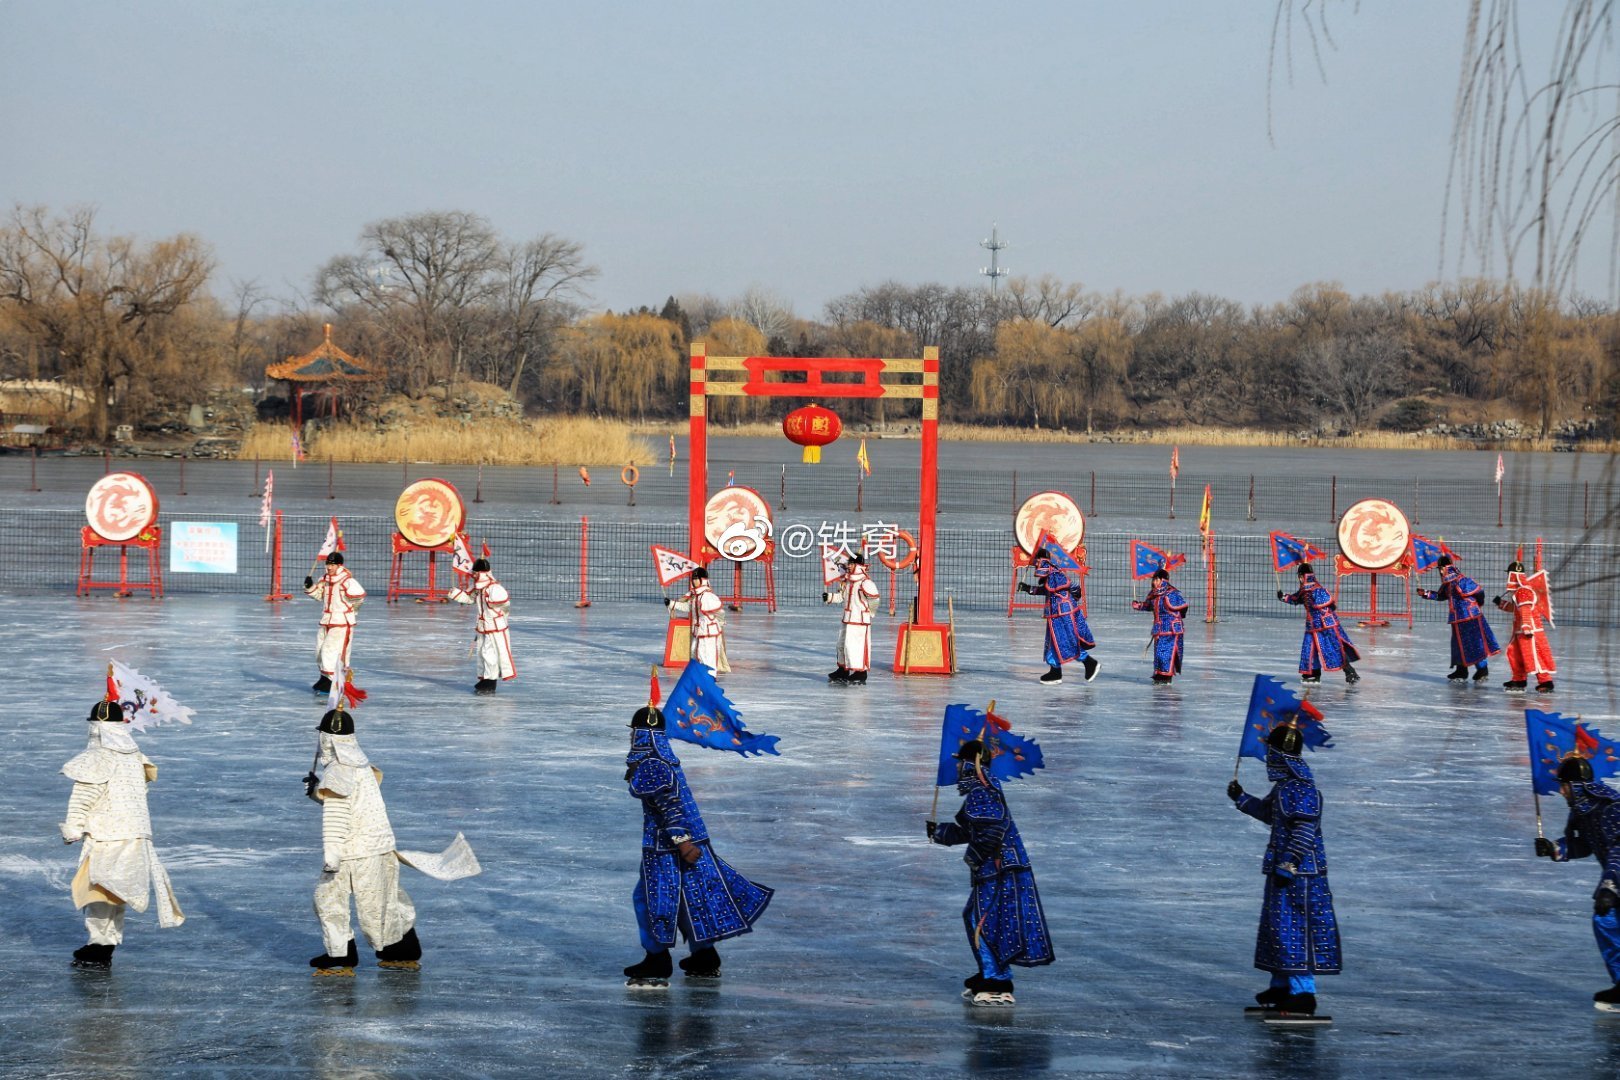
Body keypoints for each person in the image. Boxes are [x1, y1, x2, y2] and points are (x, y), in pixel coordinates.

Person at [305, 707, 481, 976]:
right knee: (385, 904)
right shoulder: (360, 765)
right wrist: (318, 792)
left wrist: (332, 858)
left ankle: (341, 954)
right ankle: (403, 950)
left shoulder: (338, 771)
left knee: (328, 900)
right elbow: (353, 801)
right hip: (381, 848)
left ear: (328, 739)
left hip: (354, 853)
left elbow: (337, 818)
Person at [622, 704, 772, 988]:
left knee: (650, 901)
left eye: (634, 734)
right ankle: (704, 957)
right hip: (686, 841)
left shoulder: (652, 763)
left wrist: (681, 842)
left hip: (667, 847)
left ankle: (657, 960)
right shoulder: (663, 758)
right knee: (693, 899)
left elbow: (670, 806)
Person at [1226, 720, 1341, 1019]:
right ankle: (1281, 985)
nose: (1269, 758)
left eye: (1272, 751)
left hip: (1301, 875)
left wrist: (1289, 863)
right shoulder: (1285, 788)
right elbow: (1270, 814)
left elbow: (1304, 830)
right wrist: (1241, 798)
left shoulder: (1302, 790)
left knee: (1297, 931)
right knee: (1277, 929)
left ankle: (1303, 993)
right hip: (1282, 870)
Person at [927, 739, 1054, 1007]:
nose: (957, 768)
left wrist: (974, 858)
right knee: (976, 917)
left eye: (960, 762)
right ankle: (990, 972)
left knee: (984, 921)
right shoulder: (982, 790)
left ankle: (997, 979)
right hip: (997, 867)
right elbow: (973, 830)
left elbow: (991, 831)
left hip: (999, 869)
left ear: (970, 764)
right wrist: (939, 832)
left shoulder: (982, 792)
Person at [60, 697, 185, 969]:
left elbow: (85, 795)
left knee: (97, 891)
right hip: (136, 833)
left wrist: (73, 828)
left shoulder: (98, 757)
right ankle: (105, 944)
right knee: (114, 892)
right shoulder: (135, 755)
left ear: (95, 727)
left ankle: (99, 945)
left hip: (107, 835)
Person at [1535, 755, 1620, 1011]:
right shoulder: (1584, 812)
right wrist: (1553, 848)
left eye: (1564, 786)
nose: (1561, 792)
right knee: (1606, 921)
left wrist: (1610, 886)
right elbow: (1583, 844)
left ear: (1578, 786)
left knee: (1608, 918)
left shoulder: (1611, 808)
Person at [1016, 548, 1099, 685]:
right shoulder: (1053, 574)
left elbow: (1061, 585)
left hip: (1063, 613)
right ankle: (1055, 671)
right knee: (1053, 642)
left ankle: (1090, 663)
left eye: (1036, 563)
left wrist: (1073, 595)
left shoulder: (1053, 572)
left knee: (1066, 641)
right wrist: (1027, 589)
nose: (1036, 567)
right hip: (1055, 613)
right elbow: (1050, 590)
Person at [1417, 555, 1500, 682]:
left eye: (1440, 568)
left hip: (1471, 617)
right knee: (1459, 645)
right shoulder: (1448, 584)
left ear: (1445, 568)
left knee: (1475, 643)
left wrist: (1476, 605)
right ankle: (1461, 671)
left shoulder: (1462, 581)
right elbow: (1440, 596)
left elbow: (1479, 593)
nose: (1440, 572)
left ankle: (1482, 670)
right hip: (1457, 618)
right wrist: (1426, 593)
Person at [1277, 564, 1359, 684]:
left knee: (1334, 647)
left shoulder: (1315, 588)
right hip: (1313, 625)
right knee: (1309, 648)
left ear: (1301, 576)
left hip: (1326, 625)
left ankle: (1350, 671)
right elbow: (1296, 598)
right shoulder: (1305, 589)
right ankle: (1312, 673)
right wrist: (1283, 597)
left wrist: (1320, 608)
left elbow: (1327, 603)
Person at [447, 558, 515, 694]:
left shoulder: (494, 588)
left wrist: (496, 610)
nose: (473, 575)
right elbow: (469, 598)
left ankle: (490, 682)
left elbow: (505, 605)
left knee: (490, 654)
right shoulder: (478, 588)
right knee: (483, 653)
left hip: (494, 627)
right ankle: (486, 679)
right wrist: (456, 594)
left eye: (476, 572)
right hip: (483, 626)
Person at [305, 552, 365, 694]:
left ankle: (333, 682)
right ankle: (325, 678)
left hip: (341, 622)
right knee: (319, 650)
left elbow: (359, 597)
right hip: (326, 620)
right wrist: (310, 587)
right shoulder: (325, 580)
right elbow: (319, 595)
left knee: (330, 651)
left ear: (339, 565)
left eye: (332, 564)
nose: (329, 567)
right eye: (328, 564)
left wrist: (350, 611)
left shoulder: (346, 581)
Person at [1493, 561, 1556, 693]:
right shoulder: (1520, 591)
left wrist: (1527, 627)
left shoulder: (1523, 591)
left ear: (1512, 575)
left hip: (1529, 631)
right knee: (1515, 653)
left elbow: (1526, 609)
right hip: (1520, 630)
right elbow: (1516, 609)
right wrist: (1501, 604)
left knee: (1535, 655)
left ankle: (1545, 681)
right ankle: (1519, 680)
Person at [825, 552, 881, 685]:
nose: (848, 566)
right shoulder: (848, 581)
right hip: (847, 619)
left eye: (851, 564)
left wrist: (869, 614)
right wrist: (829, 597)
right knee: (842, 645)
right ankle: (843, 669)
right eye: (849, 564)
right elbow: (842, 597)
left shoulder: (865, 582)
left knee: (855, 647)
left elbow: (874, 599)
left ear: (858, 565)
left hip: (859, 621)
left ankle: (860, 673)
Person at [666, 567, 728, 674]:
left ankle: (708, 683)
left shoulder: (707, 596)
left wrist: (719, 622)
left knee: (707, 660)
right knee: (695, 657)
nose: (694, 581)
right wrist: (671, 603)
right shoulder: (696, 596)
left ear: (702, 580)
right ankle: (699, 684)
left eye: (696, 579)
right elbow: (688, 607)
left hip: (708, 634)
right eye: (693, 579)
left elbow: (720, 612)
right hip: (698, 633)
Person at [1132, 567, 1188, 684]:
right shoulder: (1154, 594)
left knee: (1166, 653)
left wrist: (1175, 614)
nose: (1154, 582)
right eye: (1154, 580)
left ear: (1164, 580)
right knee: (1158, 654)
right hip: (1159, 629)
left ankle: (1166, 676)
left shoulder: (1171, 593)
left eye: (1157, 580)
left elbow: (1183, 607)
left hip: (1171, 629)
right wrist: (1138, 605)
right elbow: (1148, 606)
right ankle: (1159, 674)